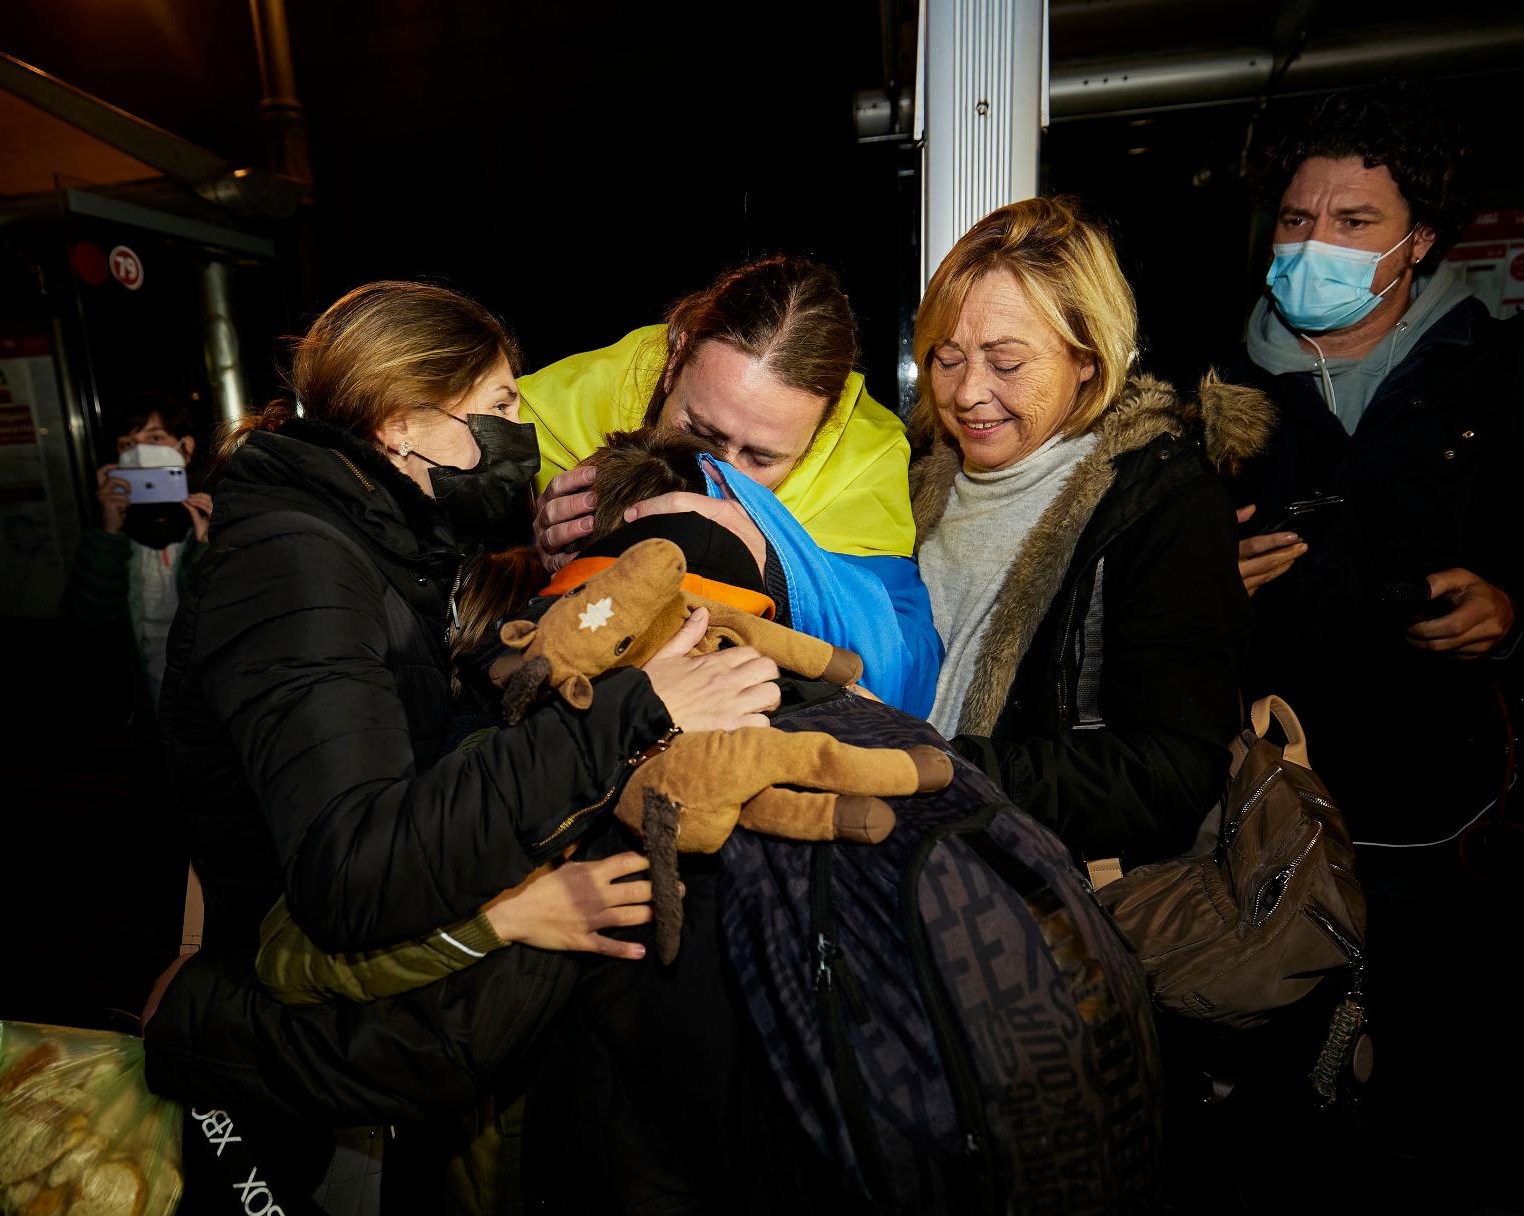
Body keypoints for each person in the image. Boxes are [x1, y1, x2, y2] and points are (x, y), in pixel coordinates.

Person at [136, 282, 781, 1199]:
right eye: (501, 406)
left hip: (351, 1016)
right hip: (298, 1042)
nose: (523, 432)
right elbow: (354, 870)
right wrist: (632, 710)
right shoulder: (297, 561)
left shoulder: (381, 546)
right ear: (404, 425)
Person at [1214, 81, 1524, 1206]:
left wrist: (1516, 616)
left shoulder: (1522, 380)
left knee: (1435, 1101)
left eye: (1355, 225)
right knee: (1266, 1108)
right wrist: (1208, 590)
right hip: (1255, 822)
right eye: (1299, 221)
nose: (1318, 247)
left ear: (1421, 241)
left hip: (1445, 828)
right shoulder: (1208, 395)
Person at [910, 196, 1253, 869]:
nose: (968, 393)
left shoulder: (1158, 504)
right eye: (946, 359)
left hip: (1041, 894)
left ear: (1089, 358)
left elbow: (1174, 770)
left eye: (1006, 364)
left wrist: (947, 773)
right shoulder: (912, 480)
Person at [521, 255, 943, 714]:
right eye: (700, 434)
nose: (721, 473)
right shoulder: (558, 410)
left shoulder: (863, 460)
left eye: (762, 458)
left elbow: (908, 680)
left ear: (823, 428)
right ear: (675, 360)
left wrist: (781, 567)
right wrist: (530, 552)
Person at [61, 393, 214, 717]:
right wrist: (109, 534)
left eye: (155, 438)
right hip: (149, 713)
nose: (140, 453)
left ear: (185, 449)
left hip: (208, 717)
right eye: (127, 445)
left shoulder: (214, 521)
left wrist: (208, 546)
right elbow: (89, 624)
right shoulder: (112, 540)